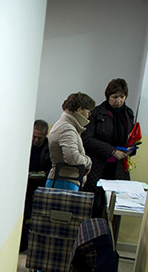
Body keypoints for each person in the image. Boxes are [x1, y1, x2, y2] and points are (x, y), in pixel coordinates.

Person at [81, 78, 136, 216]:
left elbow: (131, 136)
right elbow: (87, 139)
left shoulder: (128, 114)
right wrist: (111, 151)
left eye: (122, 97)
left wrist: (131, 149)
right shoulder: (97, 112)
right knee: (93, 207)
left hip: (118, 168)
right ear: (108, 96)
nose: (119, 100)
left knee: (116, 209)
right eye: (115, 97)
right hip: (98, 166)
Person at [46, 92, 94, 191]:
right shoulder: (67, 129)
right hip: (65, 181)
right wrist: (88, 161)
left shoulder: (64, 125)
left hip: (63, 180)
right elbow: (72, 157)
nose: (88, 116)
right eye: (88, 112)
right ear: (80, 109)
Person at [20, 120, 51, 252]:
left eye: (40, 137)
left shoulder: (49, 147)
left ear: (45, 136)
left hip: (40, 186)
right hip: (23, 186)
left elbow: (50, 168)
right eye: (34, 136)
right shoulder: (22, 142)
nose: (36, 140)